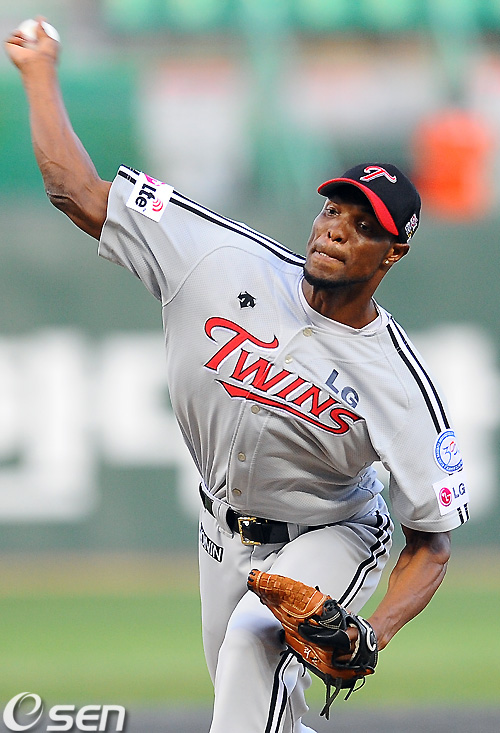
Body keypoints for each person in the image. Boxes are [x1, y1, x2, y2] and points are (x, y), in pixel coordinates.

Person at [5, 20, 469, 733]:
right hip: (221, 529)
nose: (336, 228)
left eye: (364, 225)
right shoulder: (218, 259)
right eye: (333, 209)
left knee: (254, 644)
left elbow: (431, 540)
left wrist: (374, 633)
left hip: (335, 530)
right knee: (254, 704)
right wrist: (40, 72)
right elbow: (75, 191)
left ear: (393, 252)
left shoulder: (396, 379)